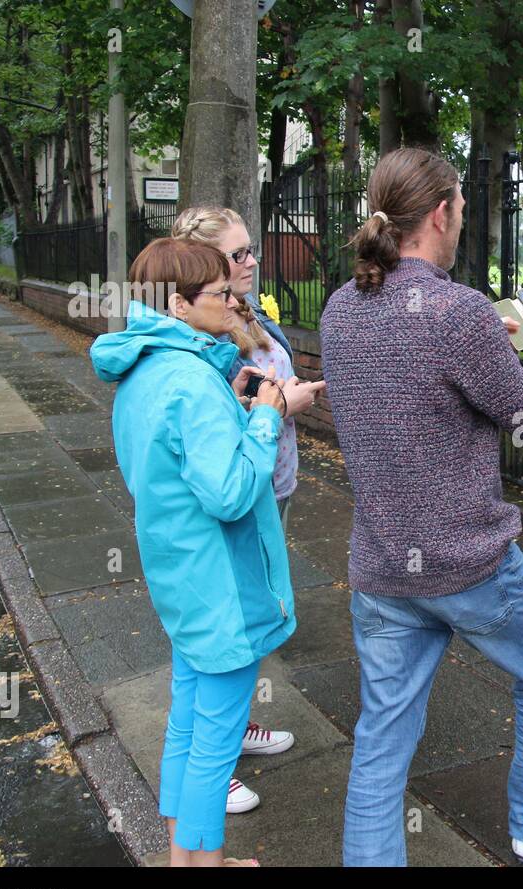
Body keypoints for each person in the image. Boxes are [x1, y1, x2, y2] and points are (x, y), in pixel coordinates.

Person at [320, 147, 523, 866]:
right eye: (464, 211)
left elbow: (410, 385)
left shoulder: (341, 307)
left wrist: (490, 350)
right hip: (470, 565)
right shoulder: (459, 311)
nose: (463, 223)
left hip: (382, 566)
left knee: (383, 736)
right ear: (441, 213)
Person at [90, 238, 300, 866]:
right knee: (215, 740)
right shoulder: (190, 382)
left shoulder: (144, 367)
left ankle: (184, 863)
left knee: (187, 722)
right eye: (219, 293)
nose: (234, 301)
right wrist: (266, 415)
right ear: (178, 305)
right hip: (223, 586)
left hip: (180, 575)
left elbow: (170, 465)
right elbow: (232, 494)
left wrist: (233, 406)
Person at [170, 205, 325, 815]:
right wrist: (287, 402)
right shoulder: (208, 337)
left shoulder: (245, 312)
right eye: (238, 256)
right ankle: (215, 761)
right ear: (206, 266)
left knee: (249, 620)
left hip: (271, 484)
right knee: (222, 632)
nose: (252, 262)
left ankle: (231, 733)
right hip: (240, 488)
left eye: (249, 250)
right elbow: (223, 429)